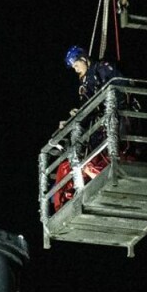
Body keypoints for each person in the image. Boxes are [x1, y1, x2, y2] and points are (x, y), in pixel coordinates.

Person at [53, 46, 133, 211]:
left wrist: (105, 106)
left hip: (113, 119)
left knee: (109, 150)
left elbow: (120, 87)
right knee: (91, 155)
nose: (76, 70)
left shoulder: (101, 69)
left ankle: (110, 172)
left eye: (76, 65)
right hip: (99, 126)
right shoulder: (86, 82)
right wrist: (74, 117)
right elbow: (87, 106)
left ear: (83, 59)